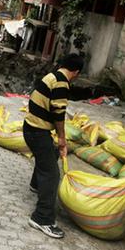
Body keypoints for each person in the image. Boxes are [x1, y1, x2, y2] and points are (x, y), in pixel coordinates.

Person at [23, 53, 84, 238]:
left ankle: (35, 185)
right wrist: (62, 139)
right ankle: (42, 218)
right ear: (76, 72)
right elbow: (59, 114)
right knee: (52, 174)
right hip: (37, 132)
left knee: (50, 155)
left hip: (31, 127)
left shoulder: (52, 75)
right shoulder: (61, 83)